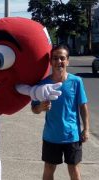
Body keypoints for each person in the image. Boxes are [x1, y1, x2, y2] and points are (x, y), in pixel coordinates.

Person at [31, 44, 90, 180]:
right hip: (51, 135)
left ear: (67, 61)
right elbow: (34, 109)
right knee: (49, 169)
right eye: (55, 58)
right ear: (51, 61)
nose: (59, 62)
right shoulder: (42, 84)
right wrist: (41, 107)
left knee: (74, 169)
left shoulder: (76, 82)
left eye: (62, 58)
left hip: (72, 135)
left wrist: (86, 129)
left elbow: (83, 106)